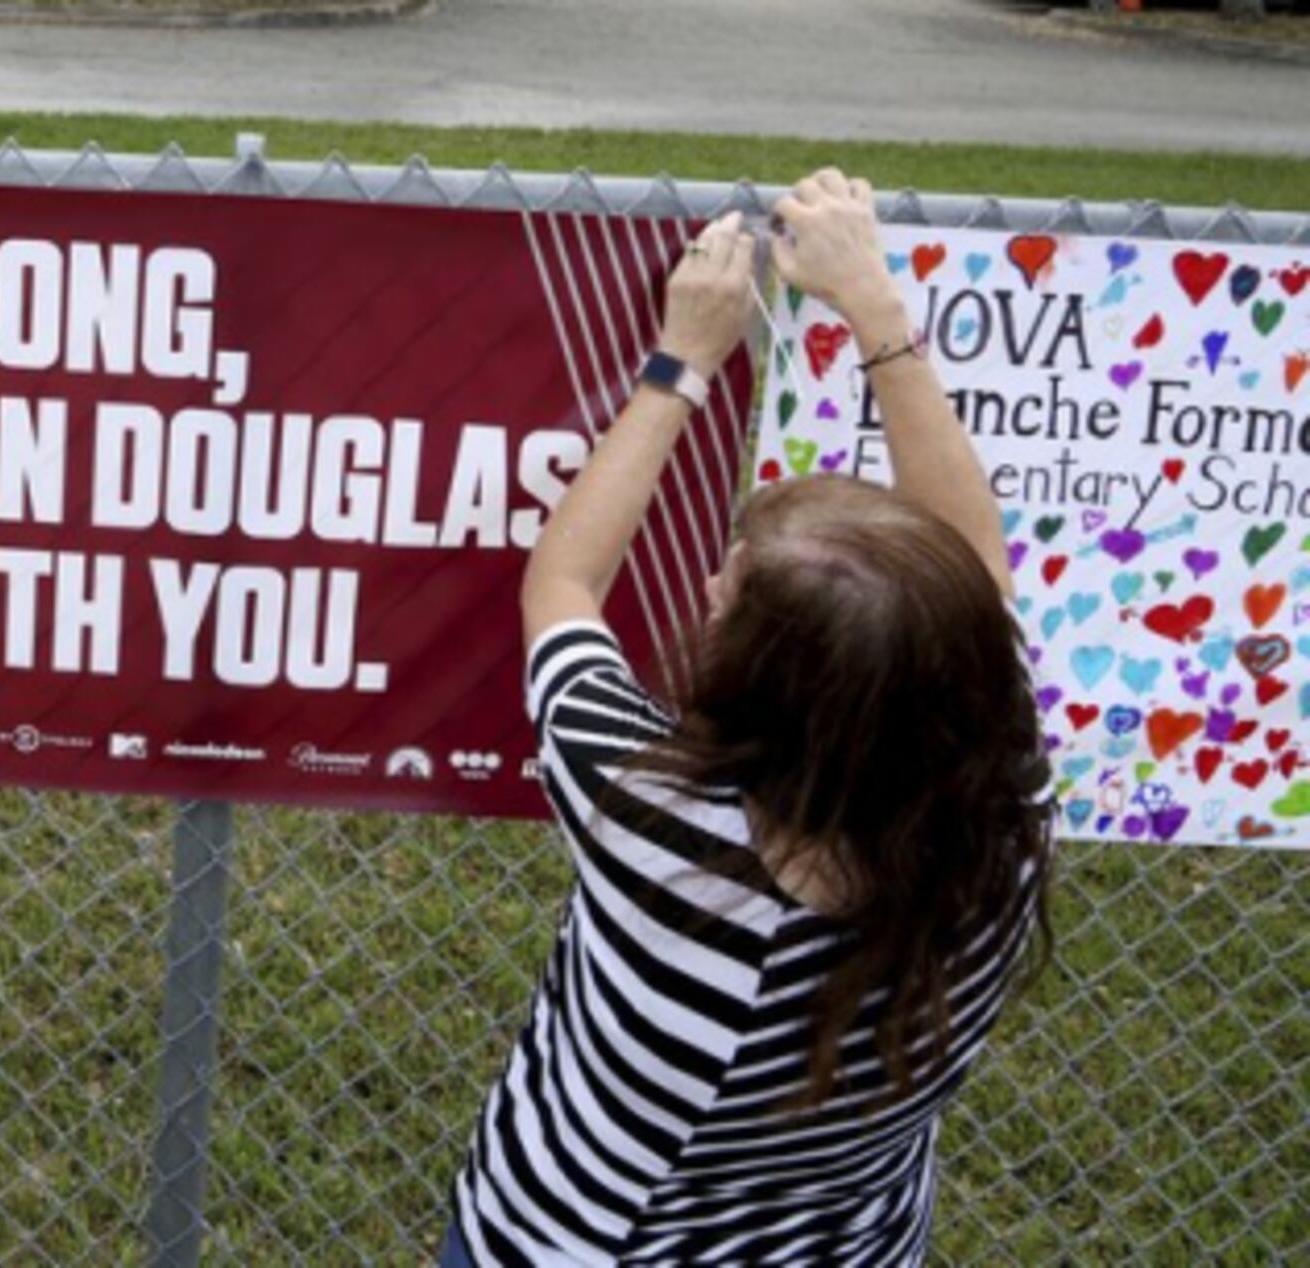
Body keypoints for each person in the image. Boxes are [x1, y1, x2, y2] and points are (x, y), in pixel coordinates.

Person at [442, 171, 1052, 1266]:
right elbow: (979, 580)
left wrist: (682, 361)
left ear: (760, 688)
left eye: (730, 593)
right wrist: (874, 310)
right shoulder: (1000, 826)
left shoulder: (657, 828)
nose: (712, 584)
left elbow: (564, 585)